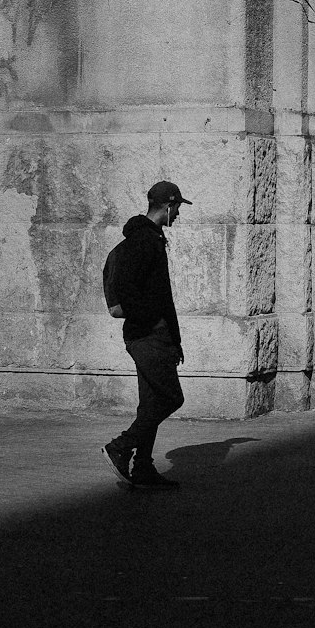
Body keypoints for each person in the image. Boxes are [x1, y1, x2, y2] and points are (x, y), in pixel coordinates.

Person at [101, 181, 191, 490]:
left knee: (150, 403)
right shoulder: (144, 242)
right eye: (177, 208)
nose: (178, 214)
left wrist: (175, 339)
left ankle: (142, 468)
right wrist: (153, 320)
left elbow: (164, 297)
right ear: (167, 207)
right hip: (147, 336)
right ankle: (121, 446)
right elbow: (130, 291)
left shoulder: (152, 238)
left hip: (154, 335)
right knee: (170, 398)